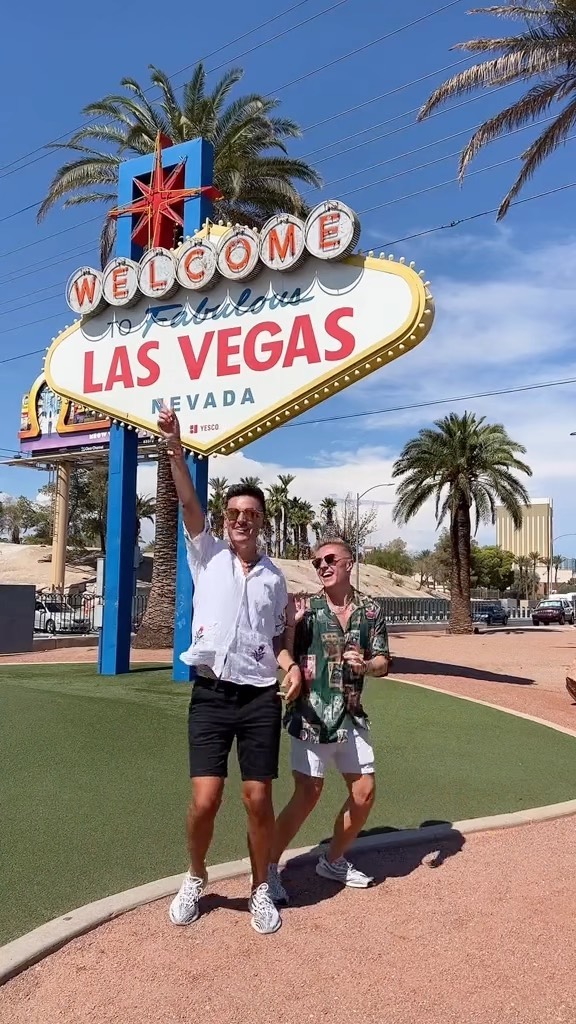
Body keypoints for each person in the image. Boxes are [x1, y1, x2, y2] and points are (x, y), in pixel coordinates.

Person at [158, 407, 301, 935]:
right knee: (205, 801)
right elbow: (187, 501)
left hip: (260, 696)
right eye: (235, 512)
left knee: (257, 798)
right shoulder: (207, 554)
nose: (242, 519)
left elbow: (275, 638)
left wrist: (290, 665)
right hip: (212, 696)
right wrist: (176, 450)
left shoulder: (275, 579)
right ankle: (196, 875)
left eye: (251, 513)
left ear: (262, 522)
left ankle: (261, 885)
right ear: (225, 520)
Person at [268, 538, 390, 902]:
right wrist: (292, 629)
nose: (322, 565)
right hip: (312, 714)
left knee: (364, 793)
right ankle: (267, 869)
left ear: (349, 563)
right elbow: (282, 648)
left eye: (330, 559)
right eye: (317, 561)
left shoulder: (371, 611)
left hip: (351, 713)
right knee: (308, 793)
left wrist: (367, 666)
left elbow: (383, 659)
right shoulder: (307, 608)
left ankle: (333, 860)